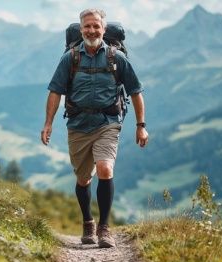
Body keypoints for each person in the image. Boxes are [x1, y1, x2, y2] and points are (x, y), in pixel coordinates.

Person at [40, 8, 148, 248]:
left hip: (107, 123)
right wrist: (48, 123)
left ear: (103, 28)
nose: (91, 30)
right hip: (78, 125)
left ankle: (104, 228)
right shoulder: (70, 58)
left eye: (96, 26)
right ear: (81, 29)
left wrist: (141, 126)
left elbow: (136, 92)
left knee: (105, 169)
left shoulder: (116, 58)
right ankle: (88, 221)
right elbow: (55, 91)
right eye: (87, 26)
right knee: (82, 179)